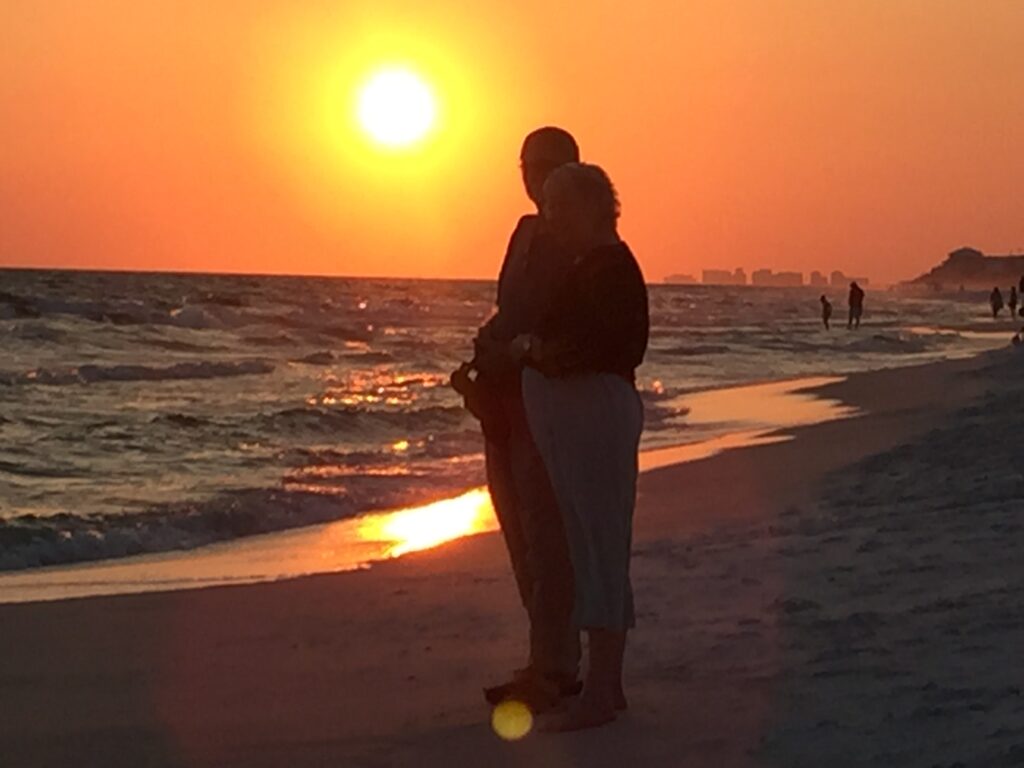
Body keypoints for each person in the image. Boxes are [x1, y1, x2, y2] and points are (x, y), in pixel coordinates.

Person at [513, 163, 649, 731]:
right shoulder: (594, 266)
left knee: (597, 547)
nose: (550, 217)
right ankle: (606, 685)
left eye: (557, 205)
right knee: (592, 544)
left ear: (592, 206)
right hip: (579, 416)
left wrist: (535, 351)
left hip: (592, 415)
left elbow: (608, 346)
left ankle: (600, 688)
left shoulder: (609, 268)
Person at [452, 127, 582, 711]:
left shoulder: (579, 240)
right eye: (527, 165)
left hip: (542, 403)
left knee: (545, 536)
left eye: (547, 166)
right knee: (517, 536)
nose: (533, 176)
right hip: (501, 401)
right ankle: (544, 657)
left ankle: (557, 665)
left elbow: (569, 326)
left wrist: (516, 347)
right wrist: (489, 340)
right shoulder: (525, 231)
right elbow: (512, 308)